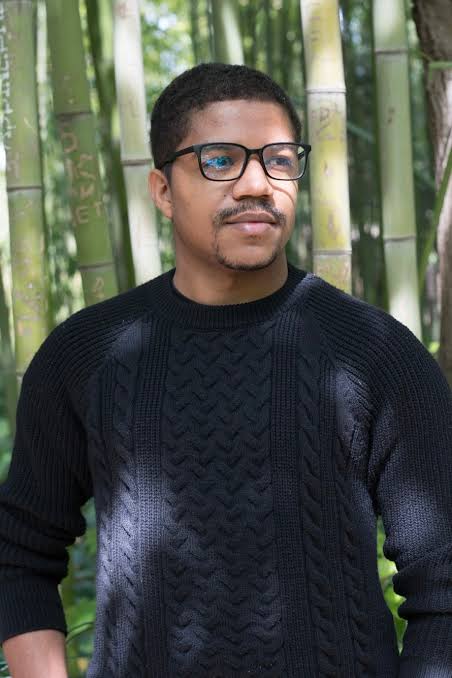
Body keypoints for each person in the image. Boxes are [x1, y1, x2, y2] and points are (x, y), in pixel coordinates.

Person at [0, 62, 451, 678]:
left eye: (279, 160)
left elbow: (443, 586)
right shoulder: (90, 354)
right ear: (163, 190)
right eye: (220, 160)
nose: (256, 184)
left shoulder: (376, 355)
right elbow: (19, 552)